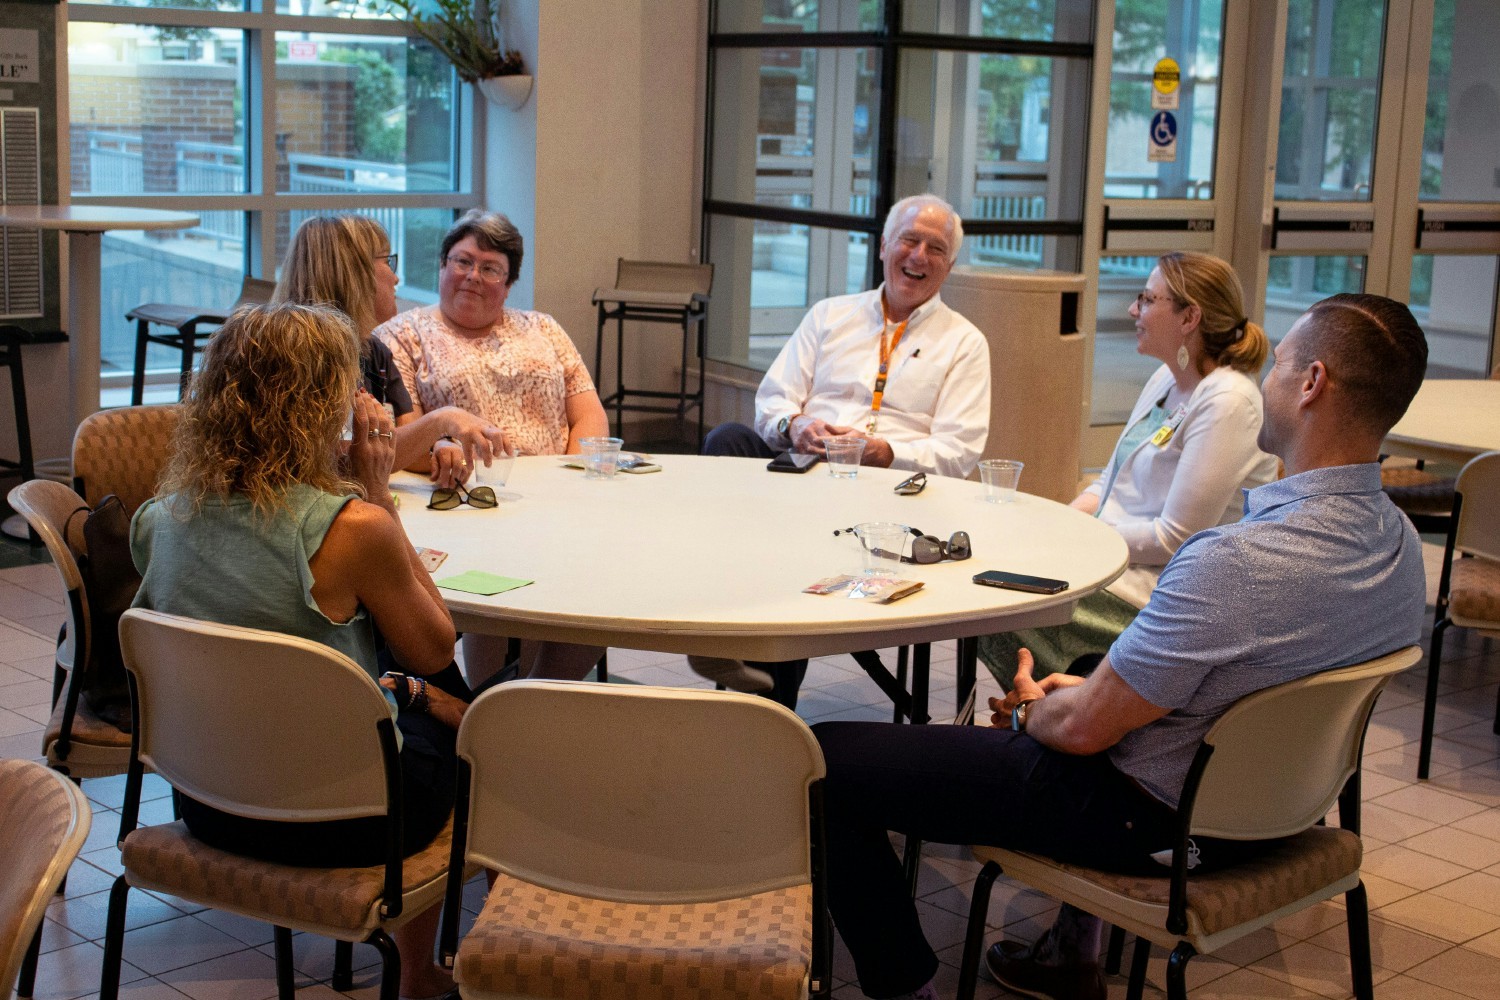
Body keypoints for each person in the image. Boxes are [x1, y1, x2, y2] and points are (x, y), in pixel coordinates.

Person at [812, 293, 1429, 1000]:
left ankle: (904, 986)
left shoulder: (1234, 563)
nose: (1267, 379)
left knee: (827, 761)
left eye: (1282, 363)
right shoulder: (1400, 547)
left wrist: (1026, 713)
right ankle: (1071, 955)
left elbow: (1078, 732)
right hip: (1282, 815)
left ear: (1313, 383)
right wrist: (1080, 695)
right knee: (1080, 672)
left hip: (1150, 820)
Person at [131, 302, 461, 1000]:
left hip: (209, 801)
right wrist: (377, 495)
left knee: (413, 689)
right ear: (318, 407)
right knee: (463, 703)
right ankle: (420, 972)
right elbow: (436, 644)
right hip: (349, 821)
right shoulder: (350, 530)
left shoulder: (157, 522)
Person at [690, 193, 991, 704]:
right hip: (805, 474)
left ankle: (756, 676)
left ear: (950, 264)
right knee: (726, 441)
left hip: (890, 496)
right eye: (909, 240)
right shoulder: (831, 316)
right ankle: (718, 616)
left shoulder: (964, 342)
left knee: (788, 549)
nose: (918, 256)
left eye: (935, 248)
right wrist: (796, 423)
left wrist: (884, 450)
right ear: (883, 247)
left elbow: (959, 450)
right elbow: (771, 402)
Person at [981, 251, 1278, 690]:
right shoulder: (1167, 379)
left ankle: (1055, 717)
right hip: (1112, 561)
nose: (1133, 309)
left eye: (1147, 299)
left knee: (1002, 605)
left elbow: (1175, 538)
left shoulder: (1229, 402)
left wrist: (1079, 538)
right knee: (995, 571)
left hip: (1159, 596)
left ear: (1189, 317)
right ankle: (1047, 716)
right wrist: (1054, 523)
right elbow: (1107, 483)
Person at [374, 209, 607, 684]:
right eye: (461, 261)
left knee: (593, 593)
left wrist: (570, 478)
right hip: (464, 503)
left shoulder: (543, 328)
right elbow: (404, 439)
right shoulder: (404, 334)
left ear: (510, 280)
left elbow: (589, 414)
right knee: (501, 600)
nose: (472, 277)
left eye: (490, 268)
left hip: (557, 498)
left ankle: (531, 705)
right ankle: (494, 707)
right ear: (440, 267)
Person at [273, 214, 508, 489]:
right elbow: (346, 461)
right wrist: (442, 419)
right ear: (355, 273)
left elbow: (402, 447)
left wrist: (439, 445)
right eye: (387, 262)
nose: (396, 278)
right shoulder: (308, 357)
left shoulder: (373, 351)